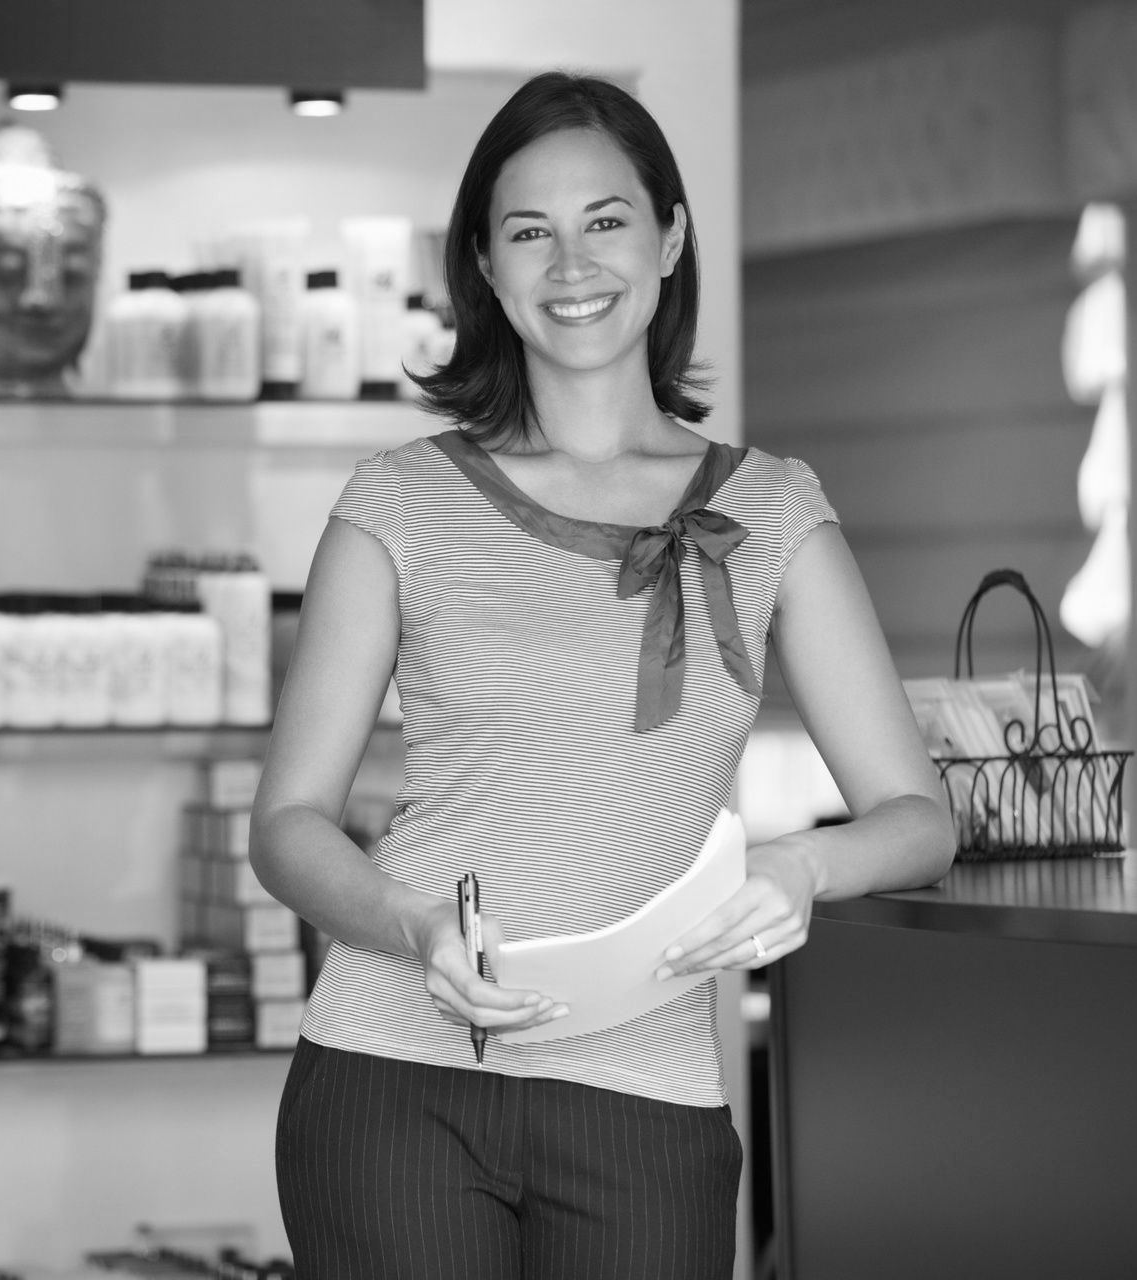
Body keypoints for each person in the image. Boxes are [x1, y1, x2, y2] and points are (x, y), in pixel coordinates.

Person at [249, 71, 956, 1279]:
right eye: (529, 230)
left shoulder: (773, 507)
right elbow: (286, 824)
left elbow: (922, 817)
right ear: (484, 262)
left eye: (607, 220)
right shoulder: (397, 500)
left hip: (648, 1095)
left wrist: (802, 863)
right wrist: (415, 924)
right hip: (391, 1078)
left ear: (671, 235)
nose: (570, 262)